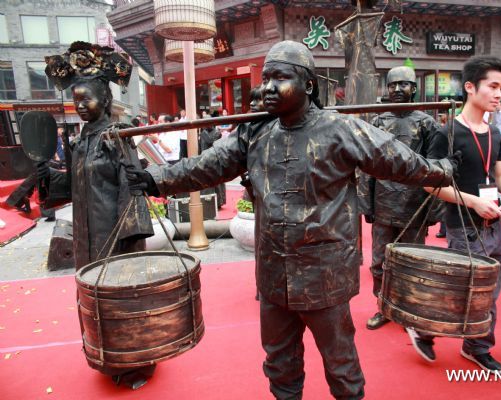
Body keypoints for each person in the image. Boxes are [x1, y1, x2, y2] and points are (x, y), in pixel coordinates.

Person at [125, 40, 459, 399]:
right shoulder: (255, 132)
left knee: (341, 364)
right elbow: (210, 164)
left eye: (279, 78)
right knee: (279, 362)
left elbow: (395, 159)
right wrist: (157, 178)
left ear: (308, 85)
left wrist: (440, 170)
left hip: (324, 276)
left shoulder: (340, 129)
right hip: (274, 275)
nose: (267, 87)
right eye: (265, 78)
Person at [41, 41, 154, 388]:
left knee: (120, 299)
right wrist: (45, 174)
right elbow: (74, 185)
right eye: (76, 100)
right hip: (86, 236)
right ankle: (104, 355)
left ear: (105, 100)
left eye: (86, 98)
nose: (80, 105)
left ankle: (138, 363)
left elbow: (132, 186)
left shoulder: (118, 137)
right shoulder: (81, 140)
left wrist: (131, 236)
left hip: (114, 236)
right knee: (92, 297)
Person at [407, 55, 501, 372]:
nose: (499, 93)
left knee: (490, 292)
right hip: (463, 226)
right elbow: (430, 186)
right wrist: (472, 201)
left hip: (493, 225)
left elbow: (500, 176)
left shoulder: (497, 135)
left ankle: (477, 347)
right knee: (461, 291)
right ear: (470, 87)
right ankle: (424, 328)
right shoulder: (446, 134)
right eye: (493, 86)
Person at [362, 66, 441, 330]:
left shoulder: (427, 123)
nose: (397, 90)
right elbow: (367, 167)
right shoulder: (378, 122)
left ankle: (409, 309)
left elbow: (436, 168)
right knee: (379, 261)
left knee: (412, 260)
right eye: (393, 85)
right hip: (384, 201)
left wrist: (432, 211)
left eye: (404, 85)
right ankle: (383, 306)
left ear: (414, 89)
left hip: (414, 204)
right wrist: (367, 204)